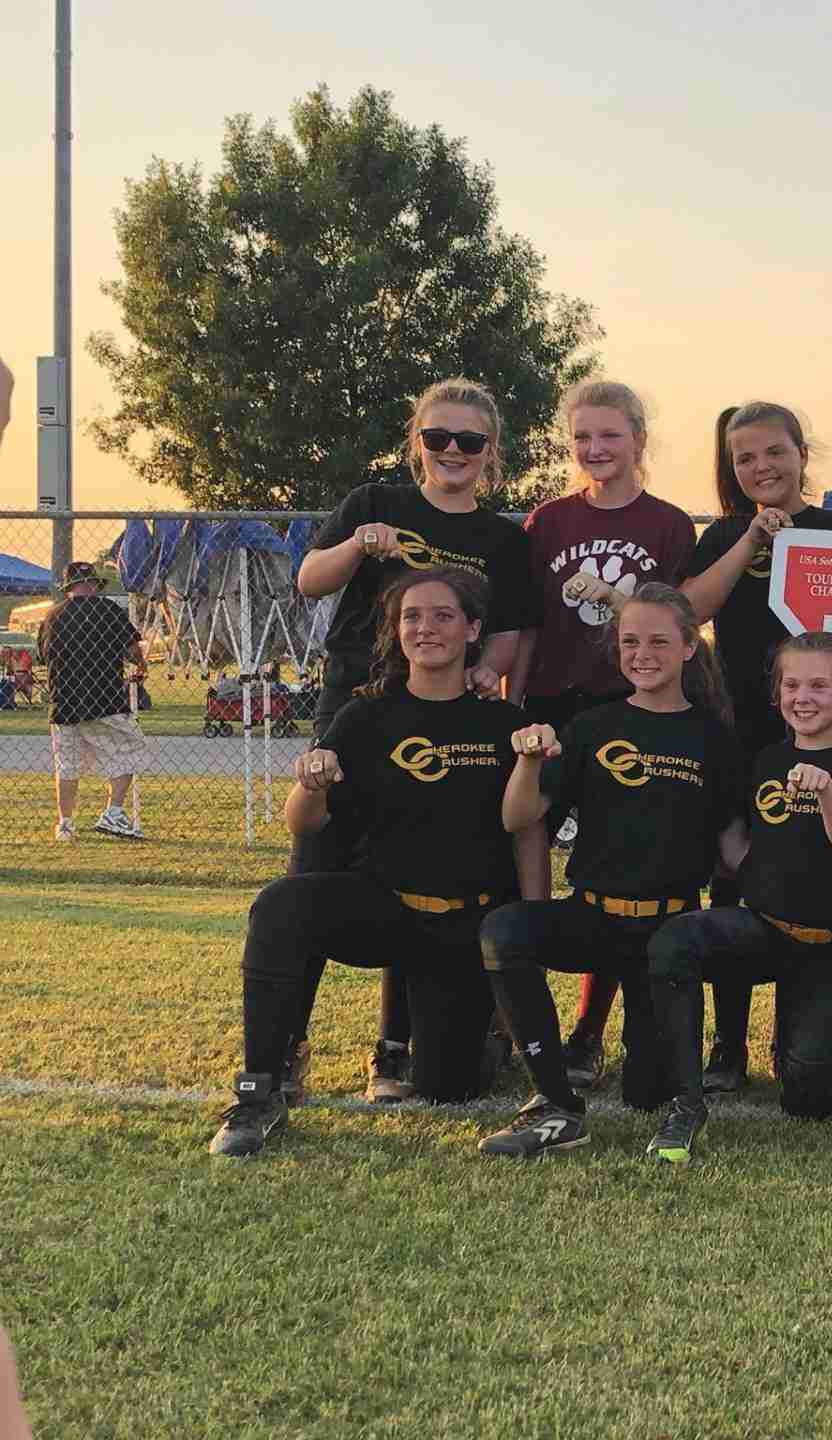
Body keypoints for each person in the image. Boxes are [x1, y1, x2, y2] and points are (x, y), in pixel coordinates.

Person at [207, 569, 544, 1156]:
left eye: (443, 616)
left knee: (449, 1088)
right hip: (386, 911)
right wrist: (310, 783)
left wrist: (530, 927)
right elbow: (302, 823)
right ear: (396, 629)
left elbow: (526, 833)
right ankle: (259, 1090)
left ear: (473, 630)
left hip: (462, 924)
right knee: (281, 906)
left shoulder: (504, 724)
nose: (426, 628)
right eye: (412, 616)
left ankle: (488, 1035)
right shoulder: (364, 716)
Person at [293, 378, 538, 1105]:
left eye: (470, 440)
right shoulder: (375, 503)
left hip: (448, 724)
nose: (452, 450)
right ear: (417, 444)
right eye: (438, 437)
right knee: (311, 872)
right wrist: (356, 545)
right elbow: (309, 581)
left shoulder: (502, 538)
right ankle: (284, 1046)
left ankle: (395, 1048)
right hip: (358, 710)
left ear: (490, 450)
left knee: (424, 875)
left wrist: (484, 678)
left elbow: (508, 636)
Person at [476, 585, 746, 1159]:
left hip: (668, 935)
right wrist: (528, 762)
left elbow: (732, 851)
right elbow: (517, 817)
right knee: (505, 930)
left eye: (658, 642)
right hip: (593, 918)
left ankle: (660, 1078)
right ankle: (555, 1104)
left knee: (647, 1093)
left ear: (689, 647)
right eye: (630, 642)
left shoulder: (715, 738)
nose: (642, 654)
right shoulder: (592, 726)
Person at [508, 380, 695, 1094]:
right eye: (582, 437)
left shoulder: (669, 525)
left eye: (610, 435)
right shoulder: (548, 521)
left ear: (639, 439)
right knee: (525, 840)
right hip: (555, 700)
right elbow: (530, 623)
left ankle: (589, 1029)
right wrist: (515, 700)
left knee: (618, 869)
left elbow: (679, 624)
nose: (595, 449)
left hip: (629, 705)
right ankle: (521, 1007)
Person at [680, 402, 832, 1093]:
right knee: (735, 881)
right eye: (745, 458)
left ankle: (829, 1027)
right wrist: (752, 539)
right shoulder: (726, 534)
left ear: (801, 454)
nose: (762, 467)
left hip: (829, 735)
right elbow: (691, 610)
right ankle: (727, 1043)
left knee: (826, 874)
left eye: (774, 452)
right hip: (747, 734)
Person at [645, 633, 832, 1158]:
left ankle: (827, 1036)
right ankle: (687, 1101)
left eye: (819, 686)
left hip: (825, 947)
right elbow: (735, 828)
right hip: (762, 930)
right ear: (776, 694)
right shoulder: (766, 758)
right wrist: (745, 864)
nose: (803, 697)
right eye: (791, 685)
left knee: (810, 1100)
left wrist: (826, 790)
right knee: (674, 941)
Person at [39, 561, 149, 840]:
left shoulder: (52, 616)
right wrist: (140, 665)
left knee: (67, 765)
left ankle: (65, 824)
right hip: (104, 699)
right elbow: (132, 649)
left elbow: (43, 655)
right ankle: (113, 812)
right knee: (130, 750)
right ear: (92, 584)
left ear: (68, 587)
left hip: (64, 703)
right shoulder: (108, 610)